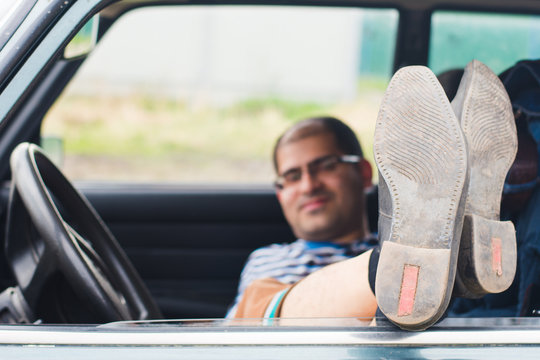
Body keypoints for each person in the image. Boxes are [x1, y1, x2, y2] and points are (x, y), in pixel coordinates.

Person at [227, 60, 519, 331]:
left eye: (326, 166)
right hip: (303, 346)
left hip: (409, 339)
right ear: (280, 194)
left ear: (365, 173)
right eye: (292, 176)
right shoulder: (269, 259)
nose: (308, 185)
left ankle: (426, 262)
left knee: (437, 292)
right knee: (258, 303)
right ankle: (420, 261)